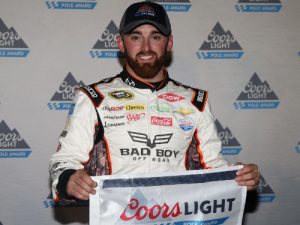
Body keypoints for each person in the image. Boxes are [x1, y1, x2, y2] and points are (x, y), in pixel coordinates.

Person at [49, 1, 260, 203]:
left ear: (169, 43)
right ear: (121, 43)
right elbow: (64, 160)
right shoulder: (93, 97)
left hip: (179, 218)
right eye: (136, 37)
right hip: (117, 217)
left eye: (156, 36)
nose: (146, 47)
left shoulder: (195, 101)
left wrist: (239, 179)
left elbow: (214, 167)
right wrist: (68, 180)